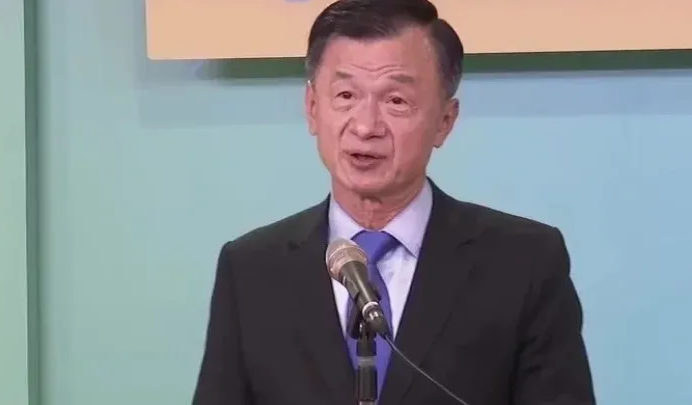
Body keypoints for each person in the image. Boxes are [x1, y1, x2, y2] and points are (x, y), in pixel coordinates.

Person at [191, 0, 596, 404]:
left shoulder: (524, 263)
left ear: (445, 121)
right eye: (346, 95)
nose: (366, 126)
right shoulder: (251, 270)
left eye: (396, 101)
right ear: (312, 108)